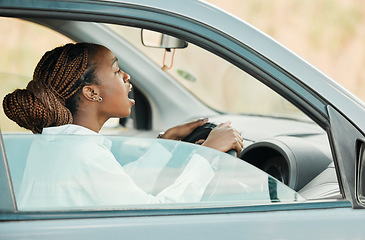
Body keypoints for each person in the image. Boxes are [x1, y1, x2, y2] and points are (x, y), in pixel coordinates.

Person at [2, 43, 243, 210]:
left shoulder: (54, 145)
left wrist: (164, 144)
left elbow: (115, 189)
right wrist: (207, 154)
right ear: (91, 92)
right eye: (117, 70)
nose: (127, 76)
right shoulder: (83, 155)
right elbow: (154, 219)